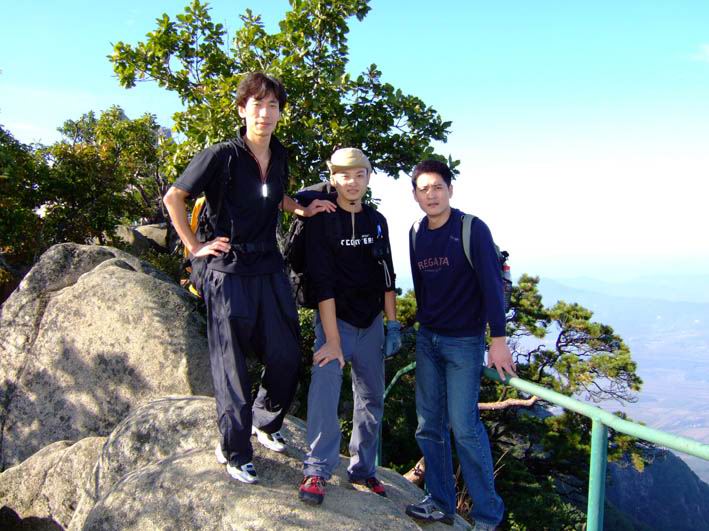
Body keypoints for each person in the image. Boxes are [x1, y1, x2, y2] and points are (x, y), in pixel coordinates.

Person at [163, 72, 335, 484]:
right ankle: (234, 449)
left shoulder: (280, 155)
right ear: (242, 110)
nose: (265, 113)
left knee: (286, 353)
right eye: (257, 104)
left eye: (273, 105)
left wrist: (301, 209)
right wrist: (194, 246)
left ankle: (264, 420)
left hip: (268, 264)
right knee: (232, 366)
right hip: (227, 268)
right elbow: (174, 197)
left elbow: (273, 195)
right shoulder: (221, 155)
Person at [404, 160, 516, 529]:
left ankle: (487, 516)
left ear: (450, 190)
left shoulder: (472, 229)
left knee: (465, 427)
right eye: (423, 189)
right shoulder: (416, 233)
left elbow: (491, 286)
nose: (431, 194)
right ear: (415, 195)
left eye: (438, 187)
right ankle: (440, 501)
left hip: (465, 342)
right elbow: (421, 286)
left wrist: (497, 340)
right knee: (428, 426)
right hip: (428, 339)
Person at [297, 148, 402, 505]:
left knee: (371, 398)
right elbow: (322, 283)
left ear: (368, 178)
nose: (352, 182)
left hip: (371, 323)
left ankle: (363, 469)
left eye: (359, 174)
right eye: (344, 175)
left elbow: (387, 275)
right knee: (325, 387)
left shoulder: (377, 221)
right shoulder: (322, 221)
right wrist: (333, 341)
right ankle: (317, 469)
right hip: (335, 321)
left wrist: (393, 324)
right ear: (333, 178)